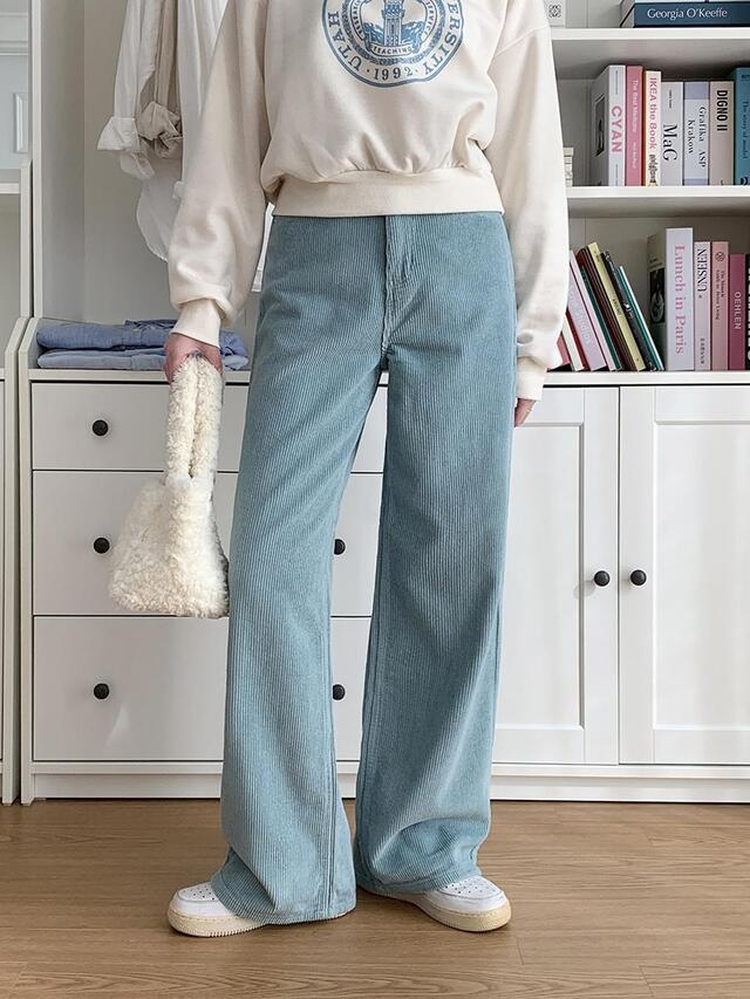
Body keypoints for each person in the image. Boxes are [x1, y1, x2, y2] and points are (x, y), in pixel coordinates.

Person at [163, 0, 569, 936]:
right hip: (315, 248)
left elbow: (530, 148)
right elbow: (229, 133)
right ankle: (282, 866)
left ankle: (425, 846)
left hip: (463, 253)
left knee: (451, 555)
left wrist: (533, 340)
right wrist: (200, 304)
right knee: (273, 555)